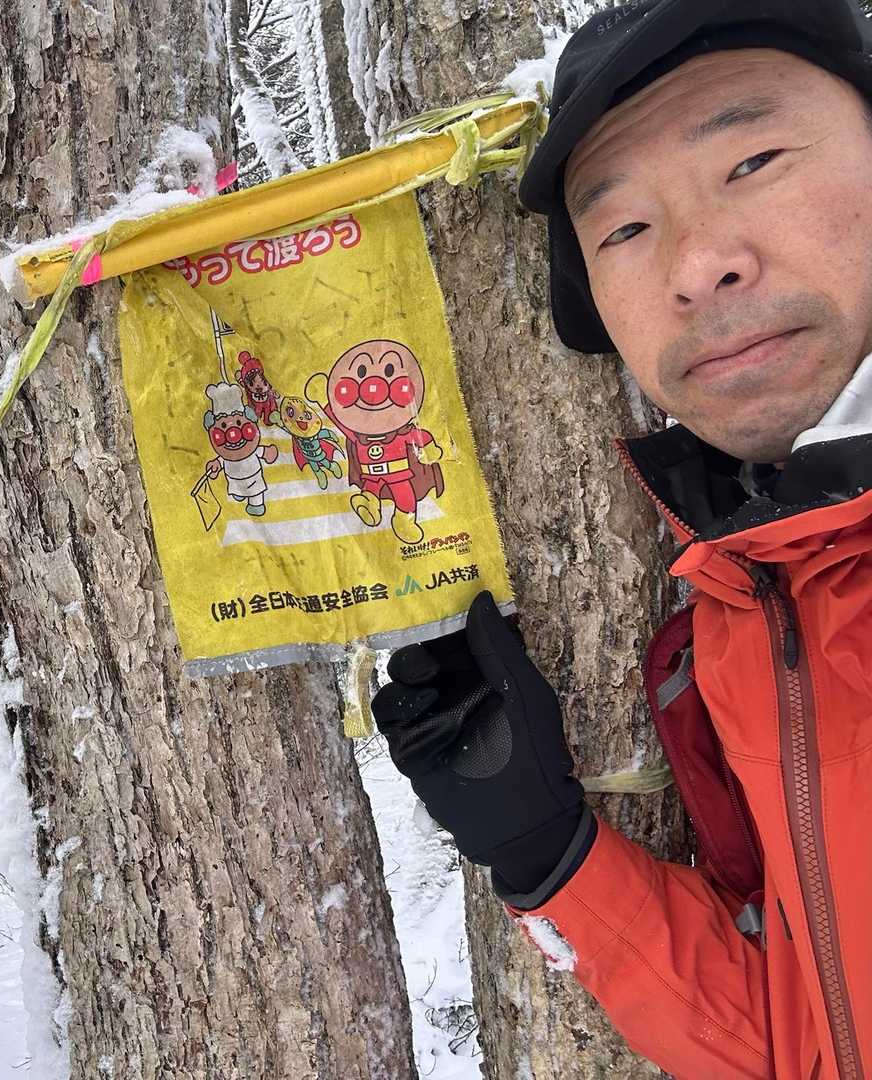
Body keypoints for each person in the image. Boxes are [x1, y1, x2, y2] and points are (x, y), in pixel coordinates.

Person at [372, 2, 872, 1076]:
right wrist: (550, 857)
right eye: (624, 230)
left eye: (754, 161)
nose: (698, 264)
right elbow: (815, 1039)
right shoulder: (752, 609)